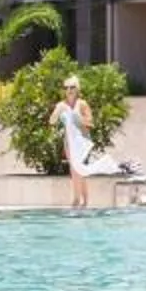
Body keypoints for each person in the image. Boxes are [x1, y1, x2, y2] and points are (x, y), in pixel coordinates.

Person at [55, 76, 97, 209]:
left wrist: (79, 119)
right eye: (66, 87)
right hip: (69, 142)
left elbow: (90, 122)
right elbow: (51, 121)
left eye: (72, 87)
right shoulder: (62, 105)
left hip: (82, 141)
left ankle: (77, 200)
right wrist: (57, 112)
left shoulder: (82, 104)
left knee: (79, 170)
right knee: (75, 170)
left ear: (77, 89)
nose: (69, 90)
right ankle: (82, 201)